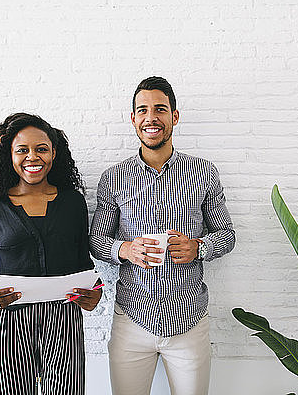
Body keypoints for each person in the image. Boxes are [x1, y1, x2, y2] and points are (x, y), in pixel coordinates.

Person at [90, 77, 235, 395]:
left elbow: (227, 235)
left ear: (174, 116)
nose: (150, 117)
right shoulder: (112, 178)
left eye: (160, 109)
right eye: (142, 110)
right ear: (133, 119)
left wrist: (199, 247)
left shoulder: (205, 172)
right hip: (132, 318)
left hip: (189, 320)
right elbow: (96, 241)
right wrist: (125, 249)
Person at [0, 113, 102, 395]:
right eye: (22, 150)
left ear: (54, 152)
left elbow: (82, 263)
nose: (33, 157)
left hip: (64, 321)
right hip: (8, 325)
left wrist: (95, 293)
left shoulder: (72, 202)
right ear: (9, 155)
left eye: (41, 148)